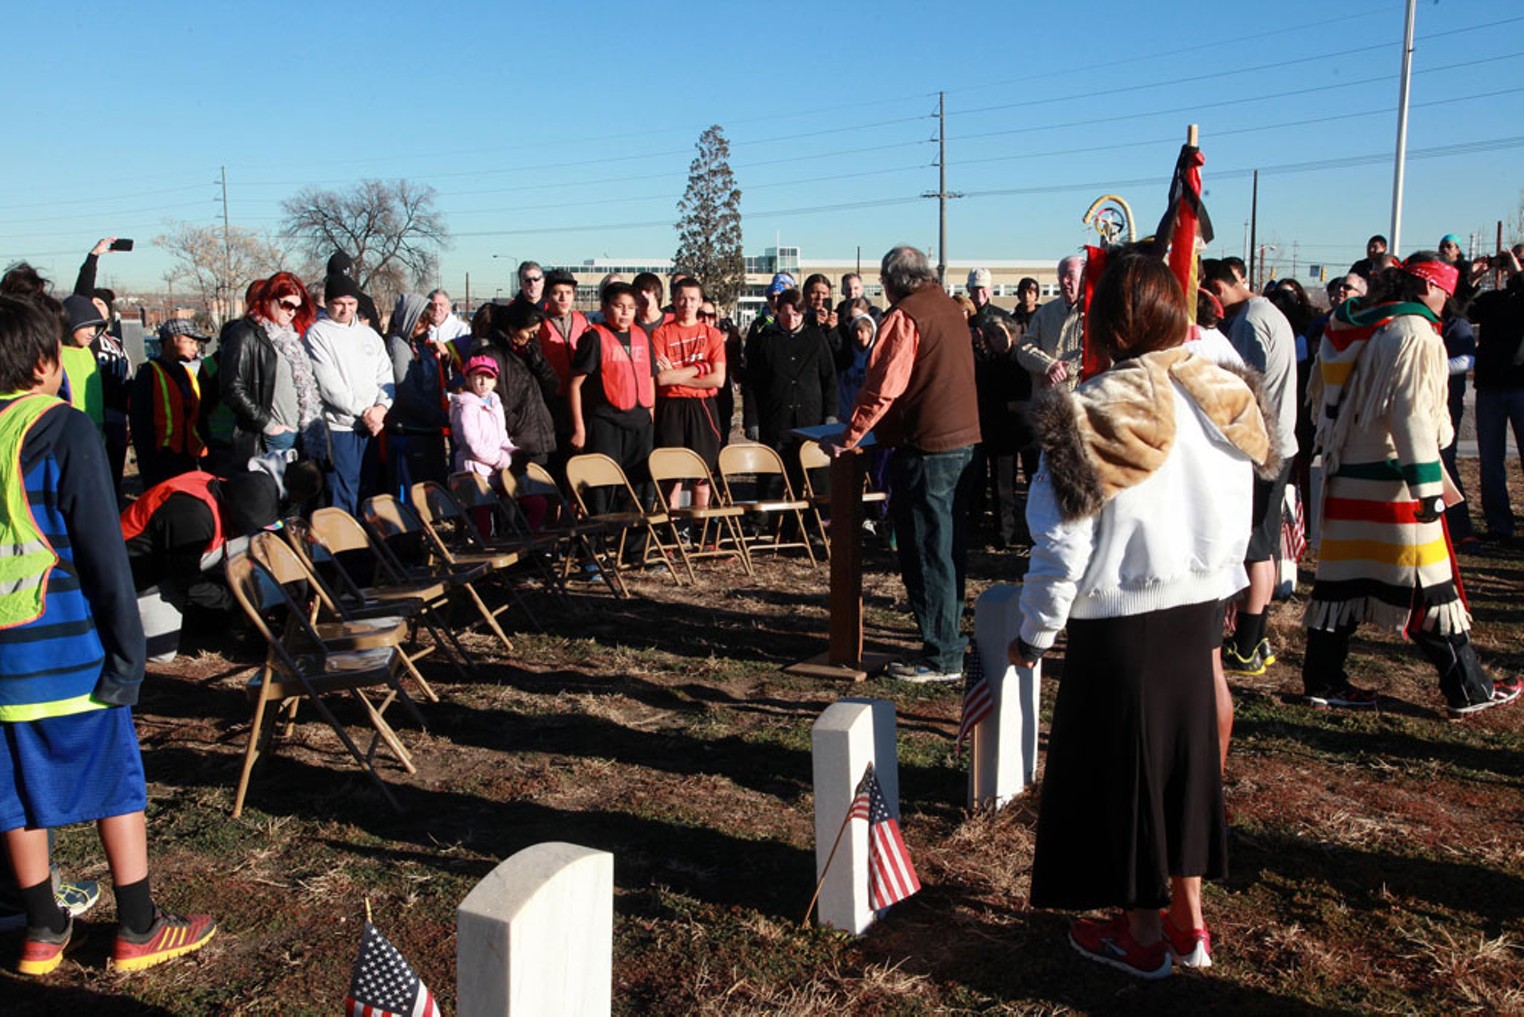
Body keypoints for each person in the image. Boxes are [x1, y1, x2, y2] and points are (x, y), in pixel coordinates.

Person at [1010, 253, 1273, 979]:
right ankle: (1189, 926)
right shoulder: (1219, 385)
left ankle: (1145, 934)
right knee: (1182, 771)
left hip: (1122, 616)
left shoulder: (1093, 405)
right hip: (1198, 607)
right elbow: (1248, 492)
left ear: (1099, 319)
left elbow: (1063, 541)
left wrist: (1033, 631)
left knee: (1124, 776)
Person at [0, 294, 216, 976]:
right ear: (45, 362)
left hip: (5, 663)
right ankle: (138, 924)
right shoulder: (62, 429)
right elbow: (101, 548)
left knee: (18, 795)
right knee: (118, 785)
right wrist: (128, 650)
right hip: (69, 650)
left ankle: (40, 930)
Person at [1305, 253, 1522, 716]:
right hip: (1394, 479)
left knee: (1344, 582)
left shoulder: (1356, 325)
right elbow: (1411, 415)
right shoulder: (1415, 333)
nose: (1448, 301)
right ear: (1427, 287)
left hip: (1349, 475)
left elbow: (1328, 399)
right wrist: (1428, 489)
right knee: (1429, 583)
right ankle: (1469, 688)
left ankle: (1322, 678)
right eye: (1445, 291)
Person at [821, 246, 980, 683]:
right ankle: (948, 642)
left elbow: (883, 387)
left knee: (926, 550)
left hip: (926, 448)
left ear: (891, 282)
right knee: (947, 550)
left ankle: (941, 656)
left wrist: (849, 437)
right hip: (962, 443)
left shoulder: (905, 316)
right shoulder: (948, 308)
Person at [1204, 258, 1299, 675]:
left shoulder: (1247, 323)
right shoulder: (1267, 312)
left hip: (1264, 447)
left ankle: (1246, 644)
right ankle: (1256, 638)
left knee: (1256, 548)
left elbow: (1240, 387)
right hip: (1279, 443)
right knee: (1265, 544)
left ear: (1219, 290)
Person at [306, 273, 394, 514]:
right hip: (341, 428)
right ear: (328, 303)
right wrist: (364, 412)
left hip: (372, 426)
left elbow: (386, 376)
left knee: (369, 494)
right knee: (343, 495)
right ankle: (344, 551)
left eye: (351, 304)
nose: (346, 310)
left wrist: (381, 408)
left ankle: (369, 547)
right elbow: (330, 386)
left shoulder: (369, 335)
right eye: (339, 304)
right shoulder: (318, 334)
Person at [220, 272, 327, 470]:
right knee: (275, 499)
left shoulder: (292, 337)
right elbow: (232, 387)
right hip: (272, 438)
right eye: (287, 305)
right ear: (269, 299)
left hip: (302, 435)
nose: (292, 312)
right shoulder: (246, 334)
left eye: (297, 307)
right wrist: (269, 426)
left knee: (300, 499)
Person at [567, 282, 657, 508]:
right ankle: (596, 540)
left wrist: (651, 414)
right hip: (606, 423)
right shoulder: (594, 338)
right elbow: (575, 385)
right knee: (602, 488)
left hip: (640, 424)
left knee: (637, 490)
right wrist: (579, 429)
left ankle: (634, 543)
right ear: (605, 307)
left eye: (631, 307)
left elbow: (650, 377)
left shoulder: (643, 336)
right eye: (619, 306)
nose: (625, 312)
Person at [742, 288, 837, 498]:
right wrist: (752, 420)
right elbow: (750, 384)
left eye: (796, 315)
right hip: (775, 420)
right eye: (786, 314)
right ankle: (767, 522)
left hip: (811, 420)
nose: (791, 320)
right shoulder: (764, 340)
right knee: (772, 478)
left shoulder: (816, 338)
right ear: (777, 313)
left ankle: (813, 523)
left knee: (814, 478)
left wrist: (831, 414)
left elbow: (829, 378)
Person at [651, 278, 727, 516]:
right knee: (672, 475)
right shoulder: (661, 333)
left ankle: (700, 534)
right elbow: (662, 379)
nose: (687, 304)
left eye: (693, 299)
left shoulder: (711, 334)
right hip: (671, 406)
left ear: (700, 302)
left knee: (702, 474)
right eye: (682, 298)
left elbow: (718, 380)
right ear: (673, 301)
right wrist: (699, 367)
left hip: (702, 406)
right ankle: (672, 536)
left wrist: (678, 374)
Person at [1465, 246, 1524, 547]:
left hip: (1521, 386)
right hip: (1490, 388)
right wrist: (1473, 279)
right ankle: (1500, 526)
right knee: (1491, 461)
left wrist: (1517, 272)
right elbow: (1460, 310)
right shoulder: (1493, 299)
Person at [466, 301, 558, 472]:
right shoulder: (491, 355)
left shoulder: (530, 351)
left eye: (536, 333)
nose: (533, 337)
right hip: (516, 441)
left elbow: (552, 387)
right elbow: (488, 398)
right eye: (530, 332)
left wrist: (539, 363)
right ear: (512, 328)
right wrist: (515, 424)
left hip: (540, 436)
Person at [385, 294, 453, 498]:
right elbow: (406, 394)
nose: (425, 325)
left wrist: (446, 359)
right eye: (420, 320)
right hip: (410, 431)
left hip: (430, 429)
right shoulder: (399, 346)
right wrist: (441, 417)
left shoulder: (425, 346)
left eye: (426, 320)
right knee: (412, 493)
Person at [132, 319, 210, 489]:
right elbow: (139, 422)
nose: (195, 348)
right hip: (160, 458)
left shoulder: (187, 374)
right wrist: (147, 459)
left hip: (186, 455)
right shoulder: (148, 373)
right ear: (173, 340)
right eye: (190, 342)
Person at [1017, 255, 1086, 391]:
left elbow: (1098, 353)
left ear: (1083, 277)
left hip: (1081, 397)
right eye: (1061, 276)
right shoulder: (1045, 312)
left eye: (1070, 275)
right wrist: (1048, 366)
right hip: (1046, 399)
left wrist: (1067, 370)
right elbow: (1024, 349)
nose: (1065, 281)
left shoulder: (1094, 312)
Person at [450, 355, 516, 480]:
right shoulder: (465, 407)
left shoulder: (495, 403)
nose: (483, 382)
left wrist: (514, 453)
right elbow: (473, 447)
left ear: (495, 381)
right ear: (468, 379)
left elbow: (501, 437)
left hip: (496, 472)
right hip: (475, 473)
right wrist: (503, 459)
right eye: (479, 377)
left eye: (489, 377)